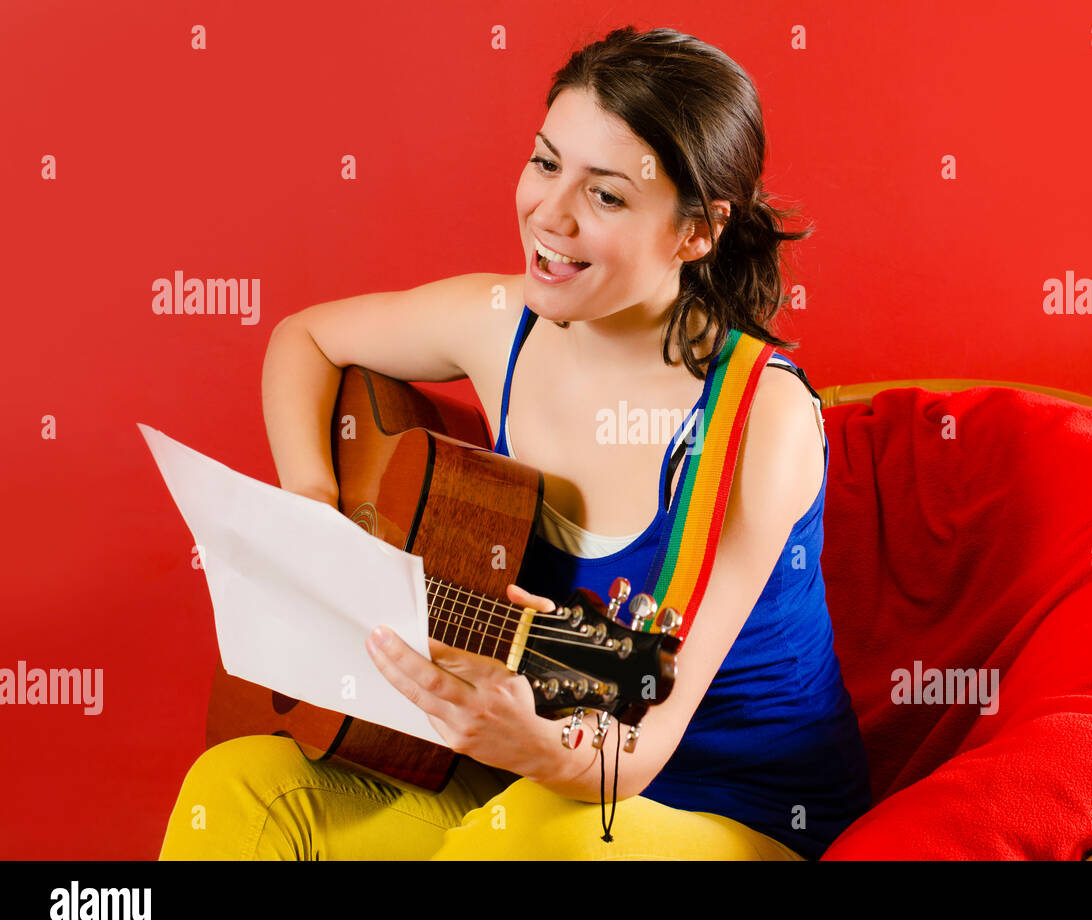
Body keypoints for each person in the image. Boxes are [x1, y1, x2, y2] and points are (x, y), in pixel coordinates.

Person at [159, 25, 872, 861]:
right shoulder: (505, 326)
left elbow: (637, 743)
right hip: (533, 779)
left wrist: (524, 739)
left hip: (737, 812)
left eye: (606, 195)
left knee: (522, 839)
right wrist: (316, 504)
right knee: (240, 791)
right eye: (545, 162)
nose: (549, 212)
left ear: (696, 232)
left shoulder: (756, 424)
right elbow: (304, 341)